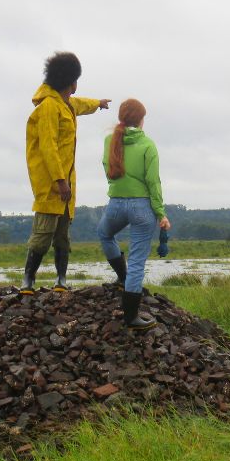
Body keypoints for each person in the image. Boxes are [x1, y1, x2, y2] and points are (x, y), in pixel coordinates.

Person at [21, 51, 111, 294]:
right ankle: (27, 281)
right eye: (75, 80)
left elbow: (80, 104)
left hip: (66, 184)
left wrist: (98, 103)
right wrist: (60, 181)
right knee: (42, 233)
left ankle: (61, 280)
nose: (76, 85)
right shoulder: (49, 107)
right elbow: (48, 146)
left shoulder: (65, 104)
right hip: (51, 183)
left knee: (62, 235)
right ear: (69, 81)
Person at [97, 98, 171, 330]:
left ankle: (122, 276)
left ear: (121, 118)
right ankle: (131, 318)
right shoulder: (148, 145)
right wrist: (161, 213)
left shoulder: (110, 139)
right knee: (138, 261)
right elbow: (153, 182)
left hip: (116, 204)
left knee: (104, 233)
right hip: (142, 208)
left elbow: (106, 168)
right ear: (140, 120)